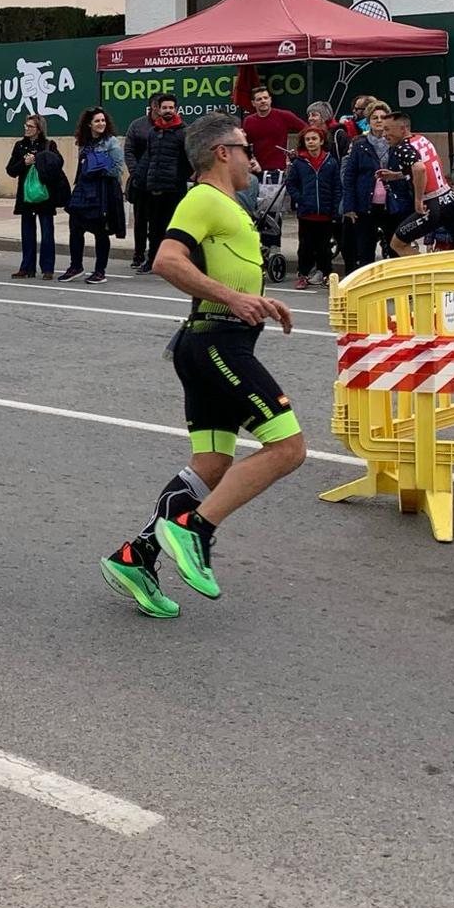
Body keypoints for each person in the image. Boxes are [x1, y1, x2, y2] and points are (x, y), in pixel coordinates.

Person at [100, 113, 305, 617]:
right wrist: (231, 299)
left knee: (212, 465)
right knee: (288, 448)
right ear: (221, 153)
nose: (251, 157)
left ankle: (137, 557)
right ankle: (196, 529)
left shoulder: (225, 204)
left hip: (215, 341)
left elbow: (226, 272)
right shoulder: (203, 198)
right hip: (217, 345)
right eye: (244, 147)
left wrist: (257, 300)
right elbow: (168, 259)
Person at [387, 112, 454, 255]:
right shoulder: (421, 139)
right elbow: (427, 166)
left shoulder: (402, 147)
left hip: (432, 204)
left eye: (388, 129)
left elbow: (419, 168)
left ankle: (430, 276)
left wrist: (418, 199)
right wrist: (396, 175)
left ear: (402, 129)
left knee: (397, 244)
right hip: (449, 198)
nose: (384, 134)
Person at [62, 106, 124, 282]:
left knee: (100, 231)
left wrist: (99, 169)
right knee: (75, 227)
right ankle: (76, 266)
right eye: (97, 121)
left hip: (102, 190)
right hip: (84, 188)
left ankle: (100, 271)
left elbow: (118, 169)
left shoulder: (111, 142)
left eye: (103, 120)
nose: (101, 123)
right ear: (89, 124)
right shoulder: (84, 143)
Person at [131, 94, 193, 273]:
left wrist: (179, 177)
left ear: (176, 110)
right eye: (164, 108)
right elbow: (148, 157)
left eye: (171, 108)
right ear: (157, 109)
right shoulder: (153, 132)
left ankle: (175, 263)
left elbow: (189, 160)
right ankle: (152, 261)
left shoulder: (183, 132)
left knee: (174, 228)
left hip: (175, 189)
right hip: (154, 188)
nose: (168, 111)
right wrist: (140, 179)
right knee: (154, 228)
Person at [7, 114, 68, 279]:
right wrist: (24, 163)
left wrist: (39, 159)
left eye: (30, 126)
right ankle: (27, 267)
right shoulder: (20, 146)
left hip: (44, 194)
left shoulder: (48, 145)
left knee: (47, 232)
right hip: (26, 195)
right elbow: (11, 170)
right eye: (26, 126)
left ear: (39, 129)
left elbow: (58, 164)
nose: (27, 129)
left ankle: (47, 268)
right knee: (27, 232)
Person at [240, 86, 307, 237]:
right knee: (254, 211)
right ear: (253, 103)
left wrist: (298, 152)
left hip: (276, 174)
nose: (263, 101)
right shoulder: (249, 121)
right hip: (254, 174)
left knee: (274, 213)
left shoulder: (284, 115)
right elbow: (245, 146)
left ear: (270, 99)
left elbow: (307, 131)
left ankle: (274, 247)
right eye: (259, 99)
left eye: (265, 98)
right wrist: (250, 161)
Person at [285, 125, 341, 286]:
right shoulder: (299, 163)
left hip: (325, 212)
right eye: (308, 139)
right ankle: (303, 274)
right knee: (305, 246)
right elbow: (291, 184)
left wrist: (335, 207)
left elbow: (337, 186)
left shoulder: (330, 162)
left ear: (321, 141)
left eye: (314, 139)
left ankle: (325, 274)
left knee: (324, 246)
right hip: (306, 212)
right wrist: (300, 199)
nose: (311, 142)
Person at [339, 101, 390, 272]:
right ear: (368, 121)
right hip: (364, 204)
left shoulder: (395, 142)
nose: (379, 121)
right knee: (364, 249)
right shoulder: (359, 144)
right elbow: (350, 176)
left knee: (392, 246)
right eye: (374, 117)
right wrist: (349, 206)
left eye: (383, 117)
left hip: (390, 205)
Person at [123, 97, 160, 269]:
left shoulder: (174, 127)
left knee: (157, 221)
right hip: (141, 181)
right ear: (153, 107)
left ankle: (155, 255)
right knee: (140, 220)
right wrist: (136, 172)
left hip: (162, 183)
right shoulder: (137, 126)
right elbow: (129, 150)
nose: (165, 110)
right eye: (161, 106)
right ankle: (138, 254)